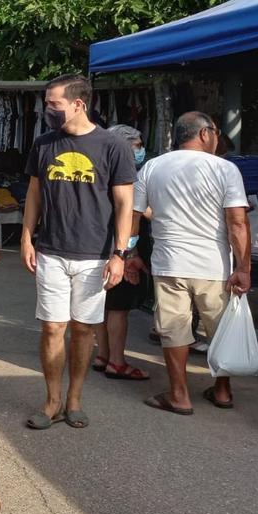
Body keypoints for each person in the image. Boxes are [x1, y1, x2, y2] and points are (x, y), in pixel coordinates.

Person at [21, 74, 135, 430]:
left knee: (84, 330)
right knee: (52, 328)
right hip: (51, 250)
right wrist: (26, 238)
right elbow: (34, 195)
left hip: (95, 255)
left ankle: (74, 399)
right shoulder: (43, 144)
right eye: (47, 103)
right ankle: (52, 400)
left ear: (78, 104)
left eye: (54, 103)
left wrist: (120, 254)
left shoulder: (113, 146)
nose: (48, 109)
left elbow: (124, 203)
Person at [132, 112, 251, 415]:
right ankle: (222, 390)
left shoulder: (153, 166)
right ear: (205, 134)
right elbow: (237, 223)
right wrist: (244, 267)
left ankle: (179, 394)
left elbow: (135, 214)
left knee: (174, 330)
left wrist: (130, 253)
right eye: (216, 132)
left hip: (170, 262)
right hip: (214, 267)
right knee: (219, 329)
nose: (217, 138)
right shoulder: (226, 169)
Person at [92, 125, 151, 381]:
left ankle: (102, 355)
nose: (141, 150)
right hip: (121, 250)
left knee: (103, 305)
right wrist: (130, 253)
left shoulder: (100, 169)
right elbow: (130, 216)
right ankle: (116, 361)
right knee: (118, 308)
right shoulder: (126, 175)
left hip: (100, 247)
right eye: (137, 145)